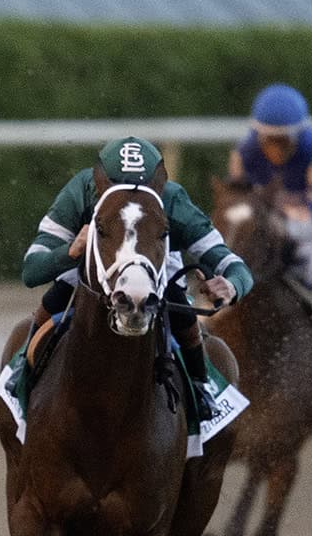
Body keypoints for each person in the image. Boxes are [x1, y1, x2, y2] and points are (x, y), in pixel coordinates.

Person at [21, 136, 254, 421]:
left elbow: (235, 267)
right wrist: (68, 253)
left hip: (153, 272)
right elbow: (31, 270)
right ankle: (21, 382)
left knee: (185, 318)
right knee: (50, 305)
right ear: (99, 186)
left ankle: (200, 391)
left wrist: (231, 284)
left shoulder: (173, 200)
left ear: (158, 187)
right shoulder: (80, 191)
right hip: (96, 271)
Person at [229, 82, 312, 406]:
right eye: (269, 138)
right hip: (270, 220)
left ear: (298, 134)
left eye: (283, 139)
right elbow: (238, 205)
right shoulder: (243, 153)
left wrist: (285, 228)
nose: (275, 147)